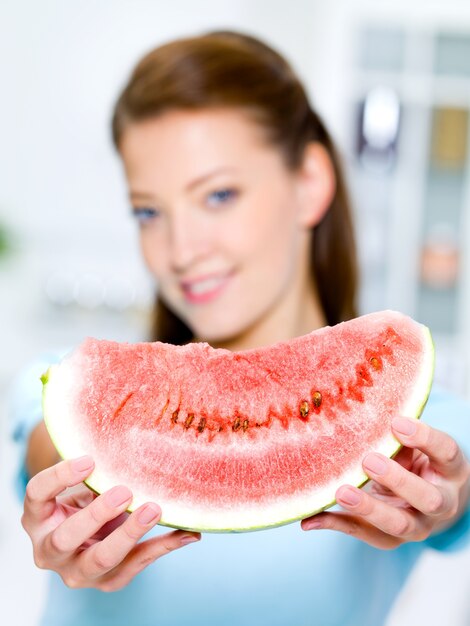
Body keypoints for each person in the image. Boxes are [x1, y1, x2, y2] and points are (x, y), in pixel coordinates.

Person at [13, 30, 470, 626]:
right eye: (149, 211)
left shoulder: (428, 430)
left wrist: (450, 498)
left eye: (219, 195)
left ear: (309, 182)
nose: (180, 250)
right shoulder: (51, 380)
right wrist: (73, 486)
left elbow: (454, 499)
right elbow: (46, 444)